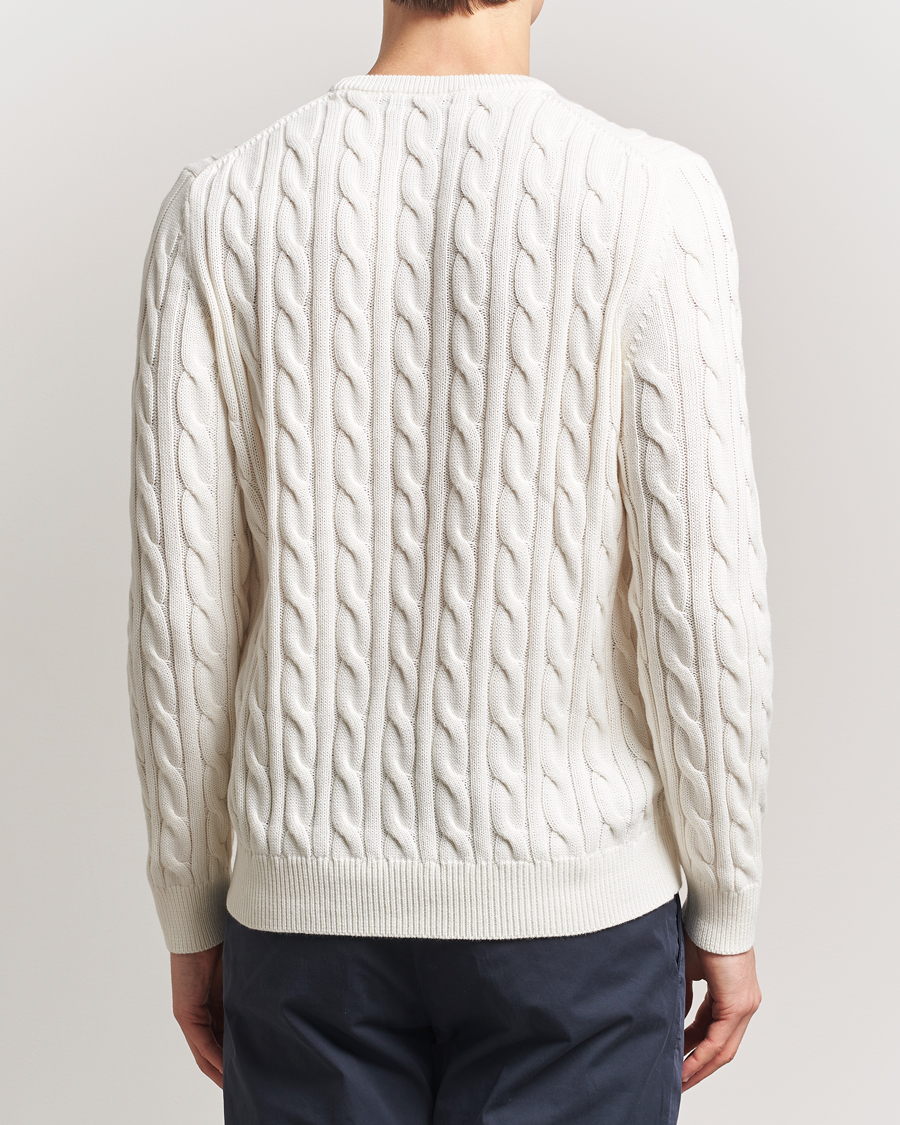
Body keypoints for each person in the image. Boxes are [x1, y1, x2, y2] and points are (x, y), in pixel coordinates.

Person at [126, 0, 774, 1120]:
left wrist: (190, 909)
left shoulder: (220, 208)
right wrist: (729, 901)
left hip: (307, 923)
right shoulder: (651, 199)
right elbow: (704, 600)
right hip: (573, 919)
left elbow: (181, 615)